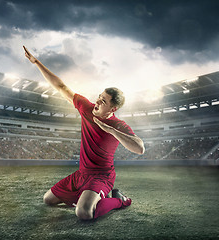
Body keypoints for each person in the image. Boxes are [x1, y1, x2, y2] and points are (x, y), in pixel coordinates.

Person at [23, 46, 145, 220]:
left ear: (113, 108)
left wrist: (110, 130)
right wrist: (37, 63)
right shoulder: (85, 108)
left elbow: (140, 148)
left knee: (83, 213)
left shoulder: (118, 125)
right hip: (82, 174)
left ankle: (119, 200)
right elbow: (61, 86)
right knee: (48, 199)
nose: (97, 101)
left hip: (102, 176)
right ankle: (87, 197)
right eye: (99, 96)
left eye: (103, 101)